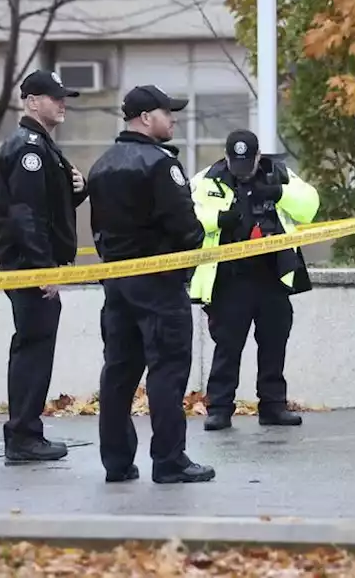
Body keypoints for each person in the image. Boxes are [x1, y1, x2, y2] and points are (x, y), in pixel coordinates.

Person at [86, 85, 213, 484]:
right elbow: (185, 227)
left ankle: (117, 463)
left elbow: (98, 231)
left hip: (117, 283)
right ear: (145, 118)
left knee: (119, 372)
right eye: (167, 113)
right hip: (159, 284)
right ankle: (170, 461)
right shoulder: (161, 164)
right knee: (167, 370)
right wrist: (194, 243)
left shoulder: (102, 165)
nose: (173, 119)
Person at [188, 129, 320, 431]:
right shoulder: (207, 179)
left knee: (274, 343)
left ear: (258, 157)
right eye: (236, 164)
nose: (242, 171)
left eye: (248, 164)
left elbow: (310, 206)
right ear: (226, 157)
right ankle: (219, 408)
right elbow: (187, 214)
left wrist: (279, 193)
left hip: (272, 275)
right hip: (229, 277)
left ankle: (273, 406)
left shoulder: (279, 174)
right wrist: (220, 219)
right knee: (227, 346)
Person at [0, 69, 88, 464]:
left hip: (36, 263)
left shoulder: (42, 146)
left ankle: (27, 432)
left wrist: (76, 190)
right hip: (31, 267)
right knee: (33, 348)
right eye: (55, 97)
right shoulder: (29, 148)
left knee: (35, 347)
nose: (62, 103)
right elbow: (25, 214)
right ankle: (23, 436)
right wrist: (42, 269)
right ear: (32, 101)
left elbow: (46, 208)